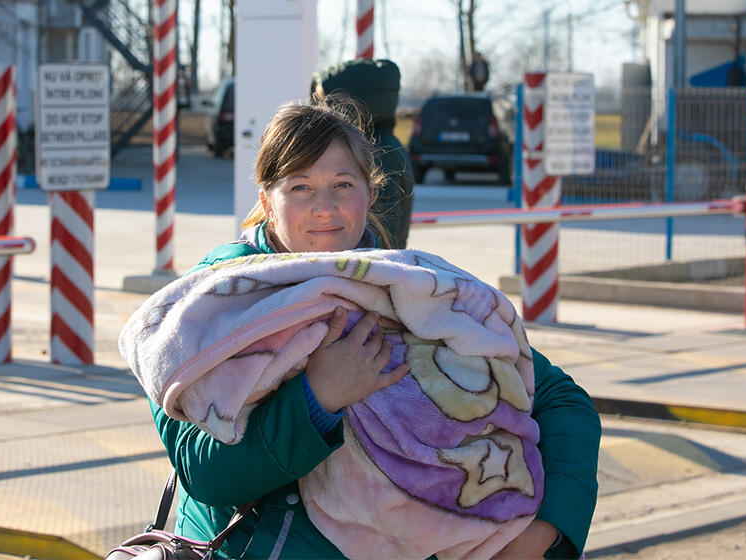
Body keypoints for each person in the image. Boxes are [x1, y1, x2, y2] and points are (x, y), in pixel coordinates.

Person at [147, 96, 601, 559]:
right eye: (300, 187)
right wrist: (316, 397)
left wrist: (546, 530)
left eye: (342, 184)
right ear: (267, 200)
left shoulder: (414, 289)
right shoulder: (209, 307)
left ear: (369, 191)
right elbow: (204, 474)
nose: (325, 208)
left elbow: (560, 399)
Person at [312, 58, 415, 249]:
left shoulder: (375, 152)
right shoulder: (387, 145)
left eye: (324, 101)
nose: (320, 109)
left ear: (347, 102)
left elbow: (380, 228)